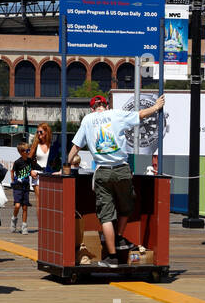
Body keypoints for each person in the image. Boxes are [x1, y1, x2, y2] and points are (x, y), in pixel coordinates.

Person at [66, 93, 165, 267]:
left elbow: (76, 146)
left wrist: (66, 165)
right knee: (127, 206)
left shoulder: (87, 120)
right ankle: (119, 236)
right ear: (106, 105)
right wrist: (156, 107)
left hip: (102, 172)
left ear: (92, 108)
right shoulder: (116, 114)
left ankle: (111, 257)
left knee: (105, 216)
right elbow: (141, 114)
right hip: (121, 169)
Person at [10, 143, 34, 234]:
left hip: (26, 186)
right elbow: (12, 171)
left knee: (25, 207)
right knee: (17, 205)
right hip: (17, 186)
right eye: (27, 150)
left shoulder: (29, 161)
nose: (28, 152)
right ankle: (14, 219)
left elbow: (31, 170)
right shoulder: (17, 162)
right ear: (21, 152)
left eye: (29, 150)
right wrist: (13, 181)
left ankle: (24, 226)